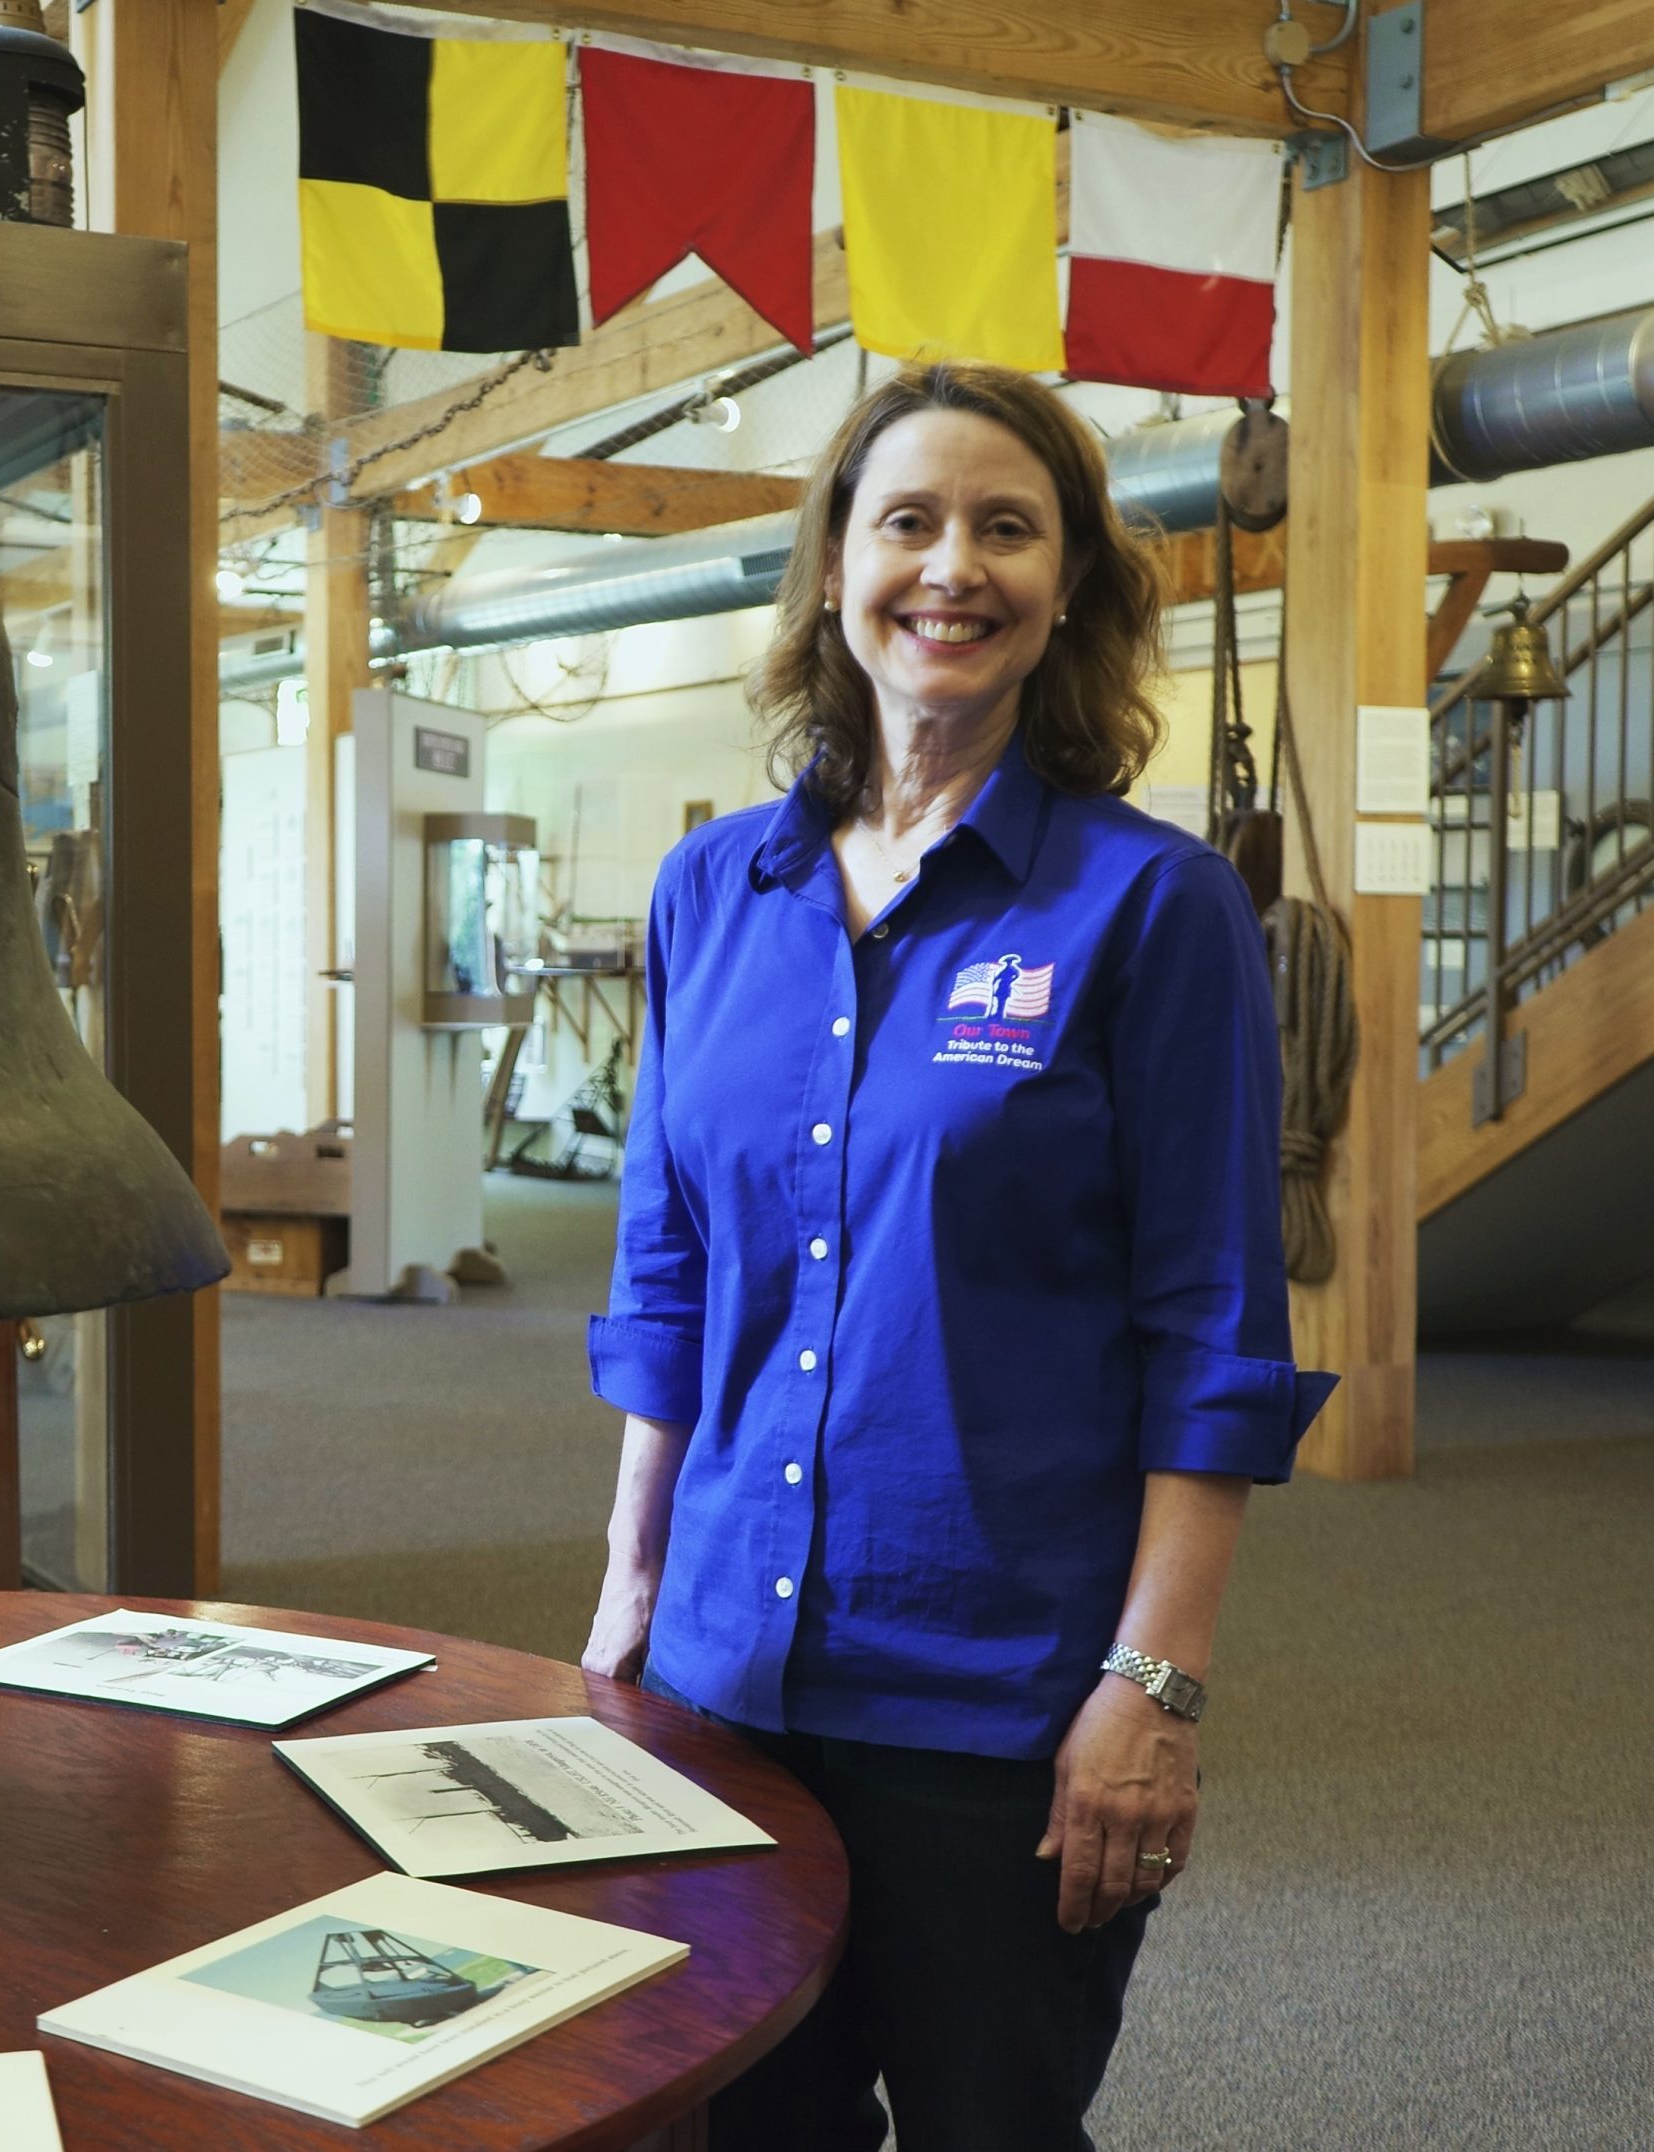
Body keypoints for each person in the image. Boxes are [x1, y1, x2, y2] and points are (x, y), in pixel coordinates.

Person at [581, 359, 1333, 2152]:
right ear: (836, 566)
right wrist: (629, 1596)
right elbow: (669, 1273)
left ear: (1069, 586)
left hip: (995, 1703)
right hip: (720, 1683)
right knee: (738, 2132)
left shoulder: (1151, 906)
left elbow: (1213, 1329)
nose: (953, 567)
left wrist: (1153, 1689)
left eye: (1009, 528)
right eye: (907, 521)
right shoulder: (713, 895)